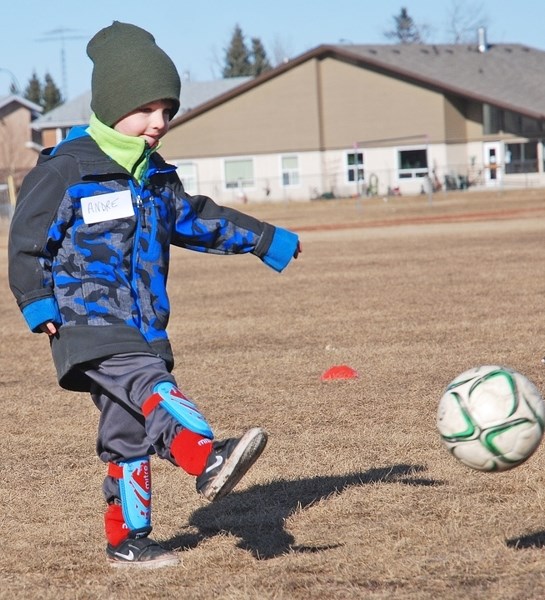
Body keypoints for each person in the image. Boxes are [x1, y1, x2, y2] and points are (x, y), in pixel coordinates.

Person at [8, 21, 301, 569]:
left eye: (168, 111)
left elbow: (196, 219)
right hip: (86, 324)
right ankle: (205, 456)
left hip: (145, 327)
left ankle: (128, 541)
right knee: (150, 385)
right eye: (146, 109)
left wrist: (264, 239)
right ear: (112, 104)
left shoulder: (156, 177)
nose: (159, 123)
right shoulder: (68, 169)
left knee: (128, 432)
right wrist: (37, 301)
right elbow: (26, 241)